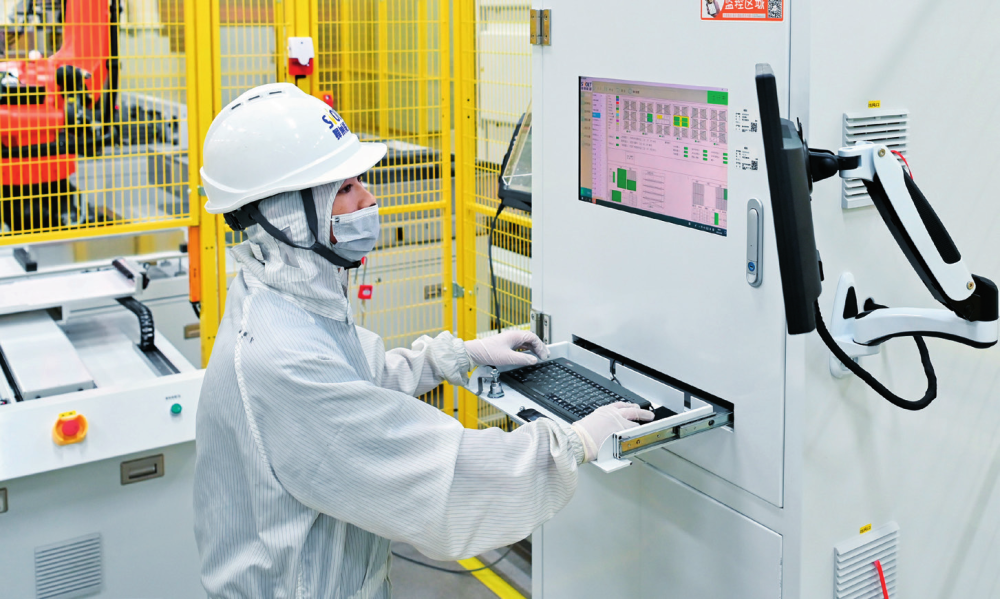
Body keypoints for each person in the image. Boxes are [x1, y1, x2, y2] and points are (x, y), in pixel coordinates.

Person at [193, 82, 653, 598]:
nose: (369, 199)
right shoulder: (282, 357)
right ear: (284, 214)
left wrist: (454, 356)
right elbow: (446, 479)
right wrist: (573, 443)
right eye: (344, 189)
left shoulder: (283, 301)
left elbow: (353, 387)